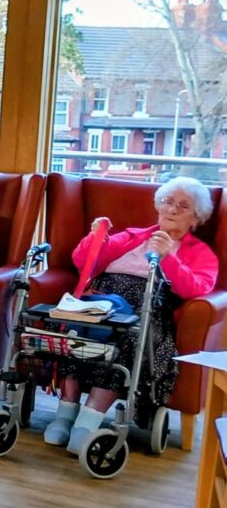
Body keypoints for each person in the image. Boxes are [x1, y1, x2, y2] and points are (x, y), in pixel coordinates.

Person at [43, 176, 218, 454]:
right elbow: (83, 262)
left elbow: (197, 287)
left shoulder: (200, 253)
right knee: (75, 328)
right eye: (167, 202)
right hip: (99, 298)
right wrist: (94, 237)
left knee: (125, 337)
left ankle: (88, 421)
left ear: (196, 218)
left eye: (183, 206)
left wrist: (167, 256)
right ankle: (65, 412)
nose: (172, 209)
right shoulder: (133, 235)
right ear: (158, 206)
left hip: (146, 308)